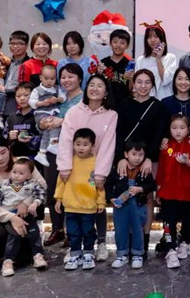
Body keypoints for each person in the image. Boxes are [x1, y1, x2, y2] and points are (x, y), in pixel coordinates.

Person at [57, 73, 118, 262]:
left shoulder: (111, 115)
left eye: (100, 86)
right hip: (74, 168)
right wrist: (65, 166)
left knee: (97, 204)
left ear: (106, 92)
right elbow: (65, 140)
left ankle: (101, 243)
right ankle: (74, 246)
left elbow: (108, 145)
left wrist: (101, 173)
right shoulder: (74, 111)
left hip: (95, 168)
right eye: (92, 85)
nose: (95, 89)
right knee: (73, 205)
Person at [115, 69, 168, 254]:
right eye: (139, 82)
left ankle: (144, 240)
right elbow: (119, 133)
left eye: (147, 82)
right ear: (133, 84)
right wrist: (121, 158)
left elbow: (159, 134)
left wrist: (149, 158)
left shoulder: (158, 107)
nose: (143, 86)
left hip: (149, 159)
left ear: (152, 85)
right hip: (127, 159)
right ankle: (129, 240)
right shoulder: (123, 105)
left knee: (147, 197)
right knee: (127, 196)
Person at [0, 135, 48, 265]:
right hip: (4, 216)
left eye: (3, 152)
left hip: (26, 213)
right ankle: (3, 254)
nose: (0, 158)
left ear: (9, 149)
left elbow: (42, 186)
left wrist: (26, 203)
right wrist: (12, 218)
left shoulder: (23, 163)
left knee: (24, 257)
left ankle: (32, 250)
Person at [41, 63, 85, 246]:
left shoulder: (85, 99)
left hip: (75, 151)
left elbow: (84, 123)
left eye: (71, 76)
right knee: (52, 189)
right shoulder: (57, 97)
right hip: (52, 149)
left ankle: (74, 232)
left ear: (80, 79)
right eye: (64, 77)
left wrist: (62, 121)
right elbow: (41, 114)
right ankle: (57, 228)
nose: (66, 80)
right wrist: (42, 122)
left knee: (72, 191)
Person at [155, 116, 190, 268]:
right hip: (168, 191)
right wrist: (158, 187)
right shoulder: (166, 145)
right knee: (169, 220)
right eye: (174, 128)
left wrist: (189, 162)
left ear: (188, 130)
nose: (178, 131)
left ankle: (186, 242)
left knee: (187, 218)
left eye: (182, 128)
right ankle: (170, 249)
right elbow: (161, 168)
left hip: (187, 190)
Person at [55, 128, 106, 271]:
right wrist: (58, 198)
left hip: (89, 206)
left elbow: (100, 185)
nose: (81, 148)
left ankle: (88, 253)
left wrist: (101, 201)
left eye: (85, 144)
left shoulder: (96, 162)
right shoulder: (68, 161)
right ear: (73, 144)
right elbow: (61, 181)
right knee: (72, 232)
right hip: (71, 205)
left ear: (92, 146)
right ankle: (75, 254)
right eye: (78, 144)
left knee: (88, 231)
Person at [106, 140, 156, 269]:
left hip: (138, 205)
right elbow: (108, 184)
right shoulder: (118, 169)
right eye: (134, 154)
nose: (137, 158)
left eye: (141, 155)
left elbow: (151, 185)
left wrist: (141, 189)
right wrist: (111, 198)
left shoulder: (145, 170)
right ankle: (122, 254)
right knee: (120, 229)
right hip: (120, 206)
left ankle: (137, 254)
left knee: (138, 229)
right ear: (126, 154)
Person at [30, 64, 67, 166]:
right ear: (40, 77)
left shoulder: (57, 88)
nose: (49, 81)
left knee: (46, 131)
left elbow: (64, 97)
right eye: (46, 78)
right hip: (41, 113)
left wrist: (57, 99)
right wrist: (41, 103)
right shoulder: (37, 90)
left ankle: (42, 153)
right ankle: (53, 143)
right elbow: (32, 102)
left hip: (52, 111)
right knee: (53, 124)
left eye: (52, 79)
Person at [135, 21, 178, 100]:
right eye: (149, 37)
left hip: (165, 100)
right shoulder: (141, 60)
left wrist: (158, 59)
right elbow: (137, 85)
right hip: (146, 100)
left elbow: (165, 80)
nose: (153, 40)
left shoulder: (170, 58)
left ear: (162, 39)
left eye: (156, 36)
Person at [161, 67, 190, 137]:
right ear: (174, 81)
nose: (183, 82)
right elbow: (161, 127)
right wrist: (164, 138)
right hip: (170, 143)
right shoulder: (165, 103)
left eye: (187, 79)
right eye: (179, 79)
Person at [3, 81, 40, 159]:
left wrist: (32, 140)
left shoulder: (40, 115)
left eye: (26, 95)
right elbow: (3, 137)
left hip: (35, 158)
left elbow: (46, 137)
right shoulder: (11, 117)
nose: (22, 98)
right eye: (18, 96)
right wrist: (9, 137)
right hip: (16, 158)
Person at [97, 29, 133, 105]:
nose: (118, 45)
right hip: (106, 104)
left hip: (125, 104)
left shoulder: (130, 64)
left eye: (122, 43)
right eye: (115, 42)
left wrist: (131, 78)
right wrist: (99, 73)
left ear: (127, 45)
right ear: (110, 43)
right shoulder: (103, 63)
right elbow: (98, 85)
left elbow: (131, 90)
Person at [3, 30, 31, 117]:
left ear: (26, 46)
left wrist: (2, 89)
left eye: (19, 43)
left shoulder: (30, 64)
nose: (15, 46)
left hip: (19, 104)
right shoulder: (5, 62)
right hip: (2, 103)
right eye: (12, 43)